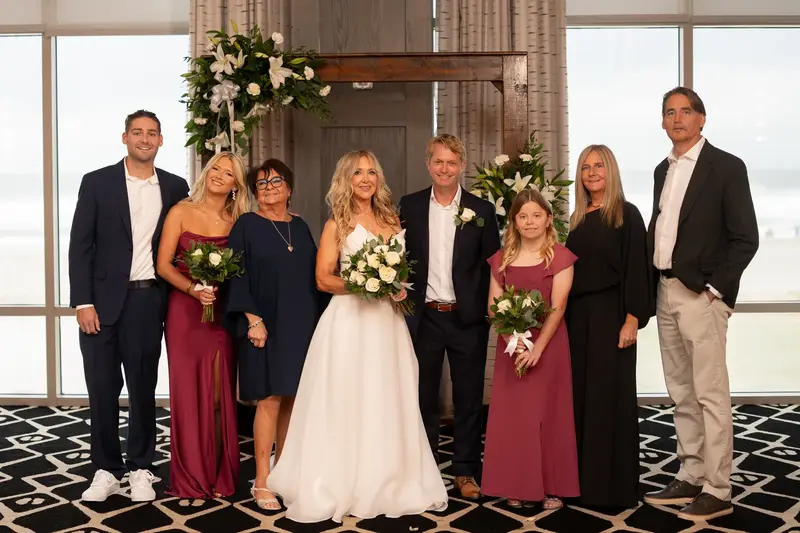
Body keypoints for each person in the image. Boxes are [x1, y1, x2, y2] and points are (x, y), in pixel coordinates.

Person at [267, 150, 448, 523]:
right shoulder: (339, 223)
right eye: (357, 173)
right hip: (349, 322)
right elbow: (322, 278)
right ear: (346, 180)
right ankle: (341, 479)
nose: (365, 179)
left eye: (371, 172)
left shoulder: (391, 218)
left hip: (387, 324)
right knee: (347, 397)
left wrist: (394, 287)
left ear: (378, 178)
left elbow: (399, 274)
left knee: (387, 397)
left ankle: (388, 478)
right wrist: (364, 283)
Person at [643, 87, 759, 521]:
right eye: (669, 112)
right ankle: (691, 474)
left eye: (685, 111)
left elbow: (746, 237)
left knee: (710, 394)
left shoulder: (726, 167)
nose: (677, 118)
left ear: (702, 118)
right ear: (662, 122)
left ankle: (719, 486)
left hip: (700, 296)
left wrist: (715, 290)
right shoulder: (663, 169)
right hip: (666, 290)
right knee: (681, 392)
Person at [69, 110, 189, 502]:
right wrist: (82, 301)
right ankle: (105, 469)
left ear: (161, 140)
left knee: (142, 388)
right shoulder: (97, 182)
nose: (144, 138)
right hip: (100, 306)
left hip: (147, 301)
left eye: (151, 133)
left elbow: (183, 245)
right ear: (124, 138)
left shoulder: (175, 187)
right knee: (102, 389)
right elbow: (80, 246)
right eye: (137, 132)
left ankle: (141, 468)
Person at [399, 133, 501, 500]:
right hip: (424, 317)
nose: (444, 168)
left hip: (467, 319)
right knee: (423, 397)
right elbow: (399, 259)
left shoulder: (482, 210)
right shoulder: (408, 206)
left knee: (469, 398)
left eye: (451, 163)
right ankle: (425, 471)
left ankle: (465, 472)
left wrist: (491, 311)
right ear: (429, 165)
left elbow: (494, 265)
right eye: (438, 161)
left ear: (462, 167)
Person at [225, 159, 325, 510]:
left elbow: (316, 274)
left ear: (289, 187)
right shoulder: (246, 225)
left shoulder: (300, 226)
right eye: (261, 184)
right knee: (268, 399)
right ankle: (263, 480)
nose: (268, 188)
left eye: (275, 181)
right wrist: (253, 320)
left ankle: (284, 473)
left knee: (293, 399)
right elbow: (235, 275)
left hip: (301, 324)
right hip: (263, 325)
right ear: (254, 192)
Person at [156, 151, 250, 498]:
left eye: (228, 174)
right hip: (184, 312)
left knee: (217, 394)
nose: (218, 175)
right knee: (186, 393)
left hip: (221, 314)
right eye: (215, 168)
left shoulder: (238, 221)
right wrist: (193, 289)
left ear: (235, 186)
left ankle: (218, 473)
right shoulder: (181, 211)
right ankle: (190, 475)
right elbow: (163, 265)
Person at [565, 145, 652, 509]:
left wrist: (633, 317)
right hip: (577, 319)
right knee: (582, 400)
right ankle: (582, 484)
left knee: (608, 400)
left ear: (611, 171)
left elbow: (638, 268)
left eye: (598, 165)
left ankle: (612, 489)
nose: (592, 172)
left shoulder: (626, 215)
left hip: (612, 317)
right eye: (585, 167)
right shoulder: (577, 219)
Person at [481, 188, 580, 510]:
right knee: (515, 419)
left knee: (549, 417)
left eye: (536, 215)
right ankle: (517, 483)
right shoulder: (501, 260)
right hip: (513, 347)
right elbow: (495, 307)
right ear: (514, 222)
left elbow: (558, 306)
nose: (530, 221)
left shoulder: (561, 257)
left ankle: (552, 487)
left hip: (549, 347)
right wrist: (516, 341)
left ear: (549, 219)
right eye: (523, 216)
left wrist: (536, 347)